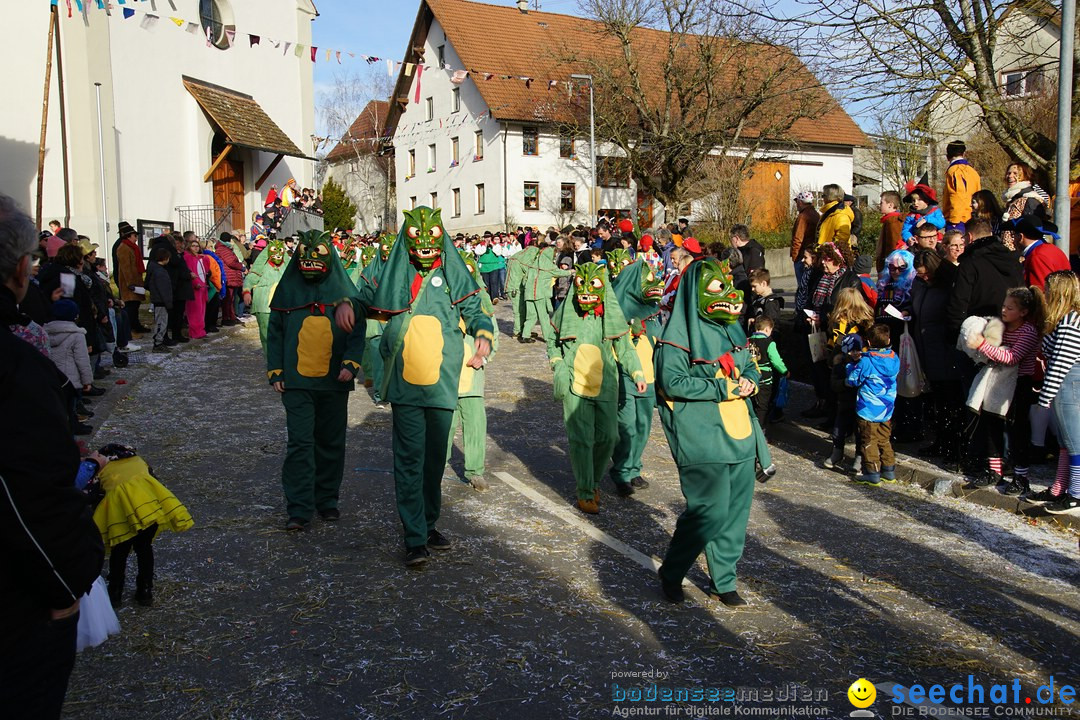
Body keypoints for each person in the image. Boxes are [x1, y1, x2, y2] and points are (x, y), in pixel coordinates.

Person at [336, 208, 492, 566]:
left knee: (435, 460)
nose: (424, 247)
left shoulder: (454, 274)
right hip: (406, 384)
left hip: (442, 383)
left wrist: (483, 333)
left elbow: (476, 310)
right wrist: (347, 304)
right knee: (409, 460)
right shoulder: (394, 275)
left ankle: (429, 522)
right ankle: (414, 536)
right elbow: (364, 299)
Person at [0, 194, 105, 719]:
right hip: (17, 598)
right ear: (22, 270)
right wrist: (68, 580)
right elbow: (27, 491)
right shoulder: (14, 364)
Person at [655, 258, 764, 607]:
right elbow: (671, 382)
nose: (729, 295)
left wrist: (751, 381)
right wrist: (722, 389)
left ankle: (723, 579)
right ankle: (673, 571)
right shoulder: (675, 339)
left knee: (735, 512)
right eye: (718, 287)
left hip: (740, 434)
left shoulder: (733, 330)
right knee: (709, 511)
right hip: (701, 436)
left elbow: (751, 366)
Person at [268, 231, 366, 531]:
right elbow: (274, 334)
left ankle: (327, 500)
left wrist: (351, 364)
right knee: (300, 443)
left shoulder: (345, 295)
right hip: (296, 384)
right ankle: (299, 507)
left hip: (333, 383)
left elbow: (357, 329)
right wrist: (276, 370)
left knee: (331, 443)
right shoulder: (286, 294)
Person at [548, 263, 646, 513]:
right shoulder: (566, 311)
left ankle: (592, 481)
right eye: (581, 284)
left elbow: (624, 348)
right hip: (574, 383)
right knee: (580, 439)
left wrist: (637, 372)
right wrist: (558, 364)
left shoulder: (611, 316)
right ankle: (585, 490)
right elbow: (552, 340)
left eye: (593, 286)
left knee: (608, 437)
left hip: (606, 384)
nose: (586, 291)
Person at [88, 444, 193, 607]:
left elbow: (92, 495)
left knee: (119, 553)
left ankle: (115, 592)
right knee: (144, 548)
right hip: (147, 511)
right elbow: (154, 480)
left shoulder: (101, 468)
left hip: (120, 515)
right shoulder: (139, 461)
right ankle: (145, 590)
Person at [965, 287, 1044, 493]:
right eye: (1003, 306)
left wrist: (982, 345)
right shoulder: (1000, 327)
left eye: (1010, 308)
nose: (1004, 310)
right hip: (997, 382)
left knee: (1017, 431)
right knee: (992, 425)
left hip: (1020, 385)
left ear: (1023, 312)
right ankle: (994, 470)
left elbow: (1011, 358)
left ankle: (1021, 476)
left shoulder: (1028, 331)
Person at [609, 258, 664, 497]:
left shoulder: (652, 310)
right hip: (624, 373)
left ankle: (634, 466)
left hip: (648, 376)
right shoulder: (616, 310)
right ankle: (621, 472)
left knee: (643, 426)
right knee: (627, 426)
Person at [444, 251, 497, 492]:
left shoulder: (480, 304)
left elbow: (491, 335)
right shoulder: (442, 302)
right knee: (443, 425)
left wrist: (482, 355)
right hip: (446, 379)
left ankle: (475, 472)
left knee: (475, 427)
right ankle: (437, 464)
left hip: (472, 381)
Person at [1030, 271, 1080, 513]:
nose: (1046, 293)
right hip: (1065, 385)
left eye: (1049, 289)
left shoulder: (1071, 321)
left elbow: (1061, 362)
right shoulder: (1063, 319)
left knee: (1074, 440)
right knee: (1064, 440)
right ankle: (1060, 487)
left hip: (1069, 385)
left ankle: (1077, 493)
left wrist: (1045, 396)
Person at [910, 251, 963, 464]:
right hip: (926, 349)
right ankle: (941, 441)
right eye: (920, 275)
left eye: (926, 274)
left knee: (949, 402)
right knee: (936, 402)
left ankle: (952, 445)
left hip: (944, 351)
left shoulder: (947, 286)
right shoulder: (921, 285)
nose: (924, 278)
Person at [821, 288, 875, 470]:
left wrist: (834, 359)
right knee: (854, 415)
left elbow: (836, 344)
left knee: (847, 414)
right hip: (857, 371)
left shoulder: (849, 323)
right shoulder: (863, 321)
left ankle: (844, 452)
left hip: (849, 370)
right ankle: (852, 455)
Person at [945, 219, 1023, 339]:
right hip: (1012, 328)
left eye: (964, 237)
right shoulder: (1011, 259)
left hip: (978, 334)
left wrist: (955, 335)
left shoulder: (969, 264)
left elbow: (959, 301)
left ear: (969, 237)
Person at [846, 323, 900, 486]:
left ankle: (872, 472)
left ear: (868, 343)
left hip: (868, 409)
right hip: (887, 409)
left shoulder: (866, 362)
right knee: (884, 439)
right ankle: (889, 471)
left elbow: (852, 380)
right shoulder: (894, 358)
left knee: (868, 441)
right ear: (889, 339)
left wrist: (851, 365)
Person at [747, 315, 787, 433]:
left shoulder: (748, 340)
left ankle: (748, 426)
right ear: (767, 329)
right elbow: (776, 360)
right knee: (762, 405)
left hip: (750, 376)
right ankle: (759, 430)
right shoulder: (769, 342)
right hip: (765, 378)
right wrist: (784, 371)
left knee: (751, 403)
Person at [1011, 217, 1069, 290]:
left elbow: (1040, 293)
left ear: (1020, 237)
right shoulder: (1051, 248)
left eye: (1013, 235)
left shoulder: (1037, 257)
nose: (1013, 240)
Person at [1000, 162, 1047, 251]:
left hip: (1022, 255)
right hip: (1009, 254)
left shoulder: (1030, 199)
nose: (1010, 176)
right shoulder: (1012, 199)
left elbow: (1032, 233)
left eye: (1015, 173)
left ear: (1026, 176)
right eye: (1008, 173)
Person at [113, 221, 149, 333]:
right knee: (130, 306)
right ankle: (129, 329)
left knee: (135, 305)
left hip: (135, 280)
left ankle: (135, 325)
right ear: (128, 236)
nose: (136, 238)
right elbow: (125, 267)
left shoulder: (132, 247)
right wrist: (130, 283)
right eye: (134, 236)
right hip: (129, 283)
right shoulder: (123, 247)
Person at [941, 140, 981, 234]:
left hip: (958, 220)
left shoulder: (954, 171)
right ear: (964, 153)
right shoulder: (973, 172)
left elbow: (957, 194)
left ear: (947, 156)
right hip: (973, 218)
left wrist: (954, 220)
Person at [817, 184, 855, 263]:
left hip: (834, 260)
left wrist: (828, 252)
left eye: (823, 195)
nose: (822, 198)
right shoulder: (829, 212)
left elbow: (842, 239)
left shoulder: (841, 215)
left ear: (830, 197)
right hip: (825, 256)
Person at [145, 247, 173, 352]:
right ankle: (158, 343)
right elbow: (164, 289)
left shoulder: (153, 269)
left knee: (161, 322)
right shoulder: (160, 272)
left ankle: (159, 341)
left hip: (158, 299)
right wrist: (168, 303)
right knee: (161, 323)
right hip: (161, 301)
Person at [215, 233, 245, 327]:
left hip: (230, 275)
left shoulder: (224, 248)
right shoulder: (223, 249)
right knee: (227, 299)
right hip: (229, 275)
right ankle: (226, 318)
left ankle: (231, 317)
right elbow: (231, 262)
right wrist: (242, 267)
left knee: (230, 299)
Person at [182, 236, 210, 339]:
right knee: (194, 311)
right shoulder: (188, 257)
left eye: (197, 246)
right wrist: (195, 283)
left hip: (202, 286)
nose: (195, 248)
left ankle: (200, 330)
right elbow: (190, 271)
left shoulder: (200, 257)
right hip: (195, 287)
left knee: (201, 310)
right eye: (193, 246)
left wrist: (205, 259)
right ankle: (195, 331)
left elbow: (205, 271)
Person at [791, 191, 820, 280]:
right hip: (812, 254)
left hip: (802, 255)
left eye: (797, 202)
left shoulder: (803, 216)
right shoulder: (816, 214)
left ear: (800, 202)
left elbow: (798, 238)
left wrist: (795, 257)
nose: (796, 205)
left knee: (802, 285)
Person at [876, 191, 906, 273]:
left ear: (890, 205)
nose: (880, 205)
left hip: (891, 266)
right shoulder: (889, 220)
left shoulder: (893, 222)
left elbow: (893, 246)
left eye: (882, 203)